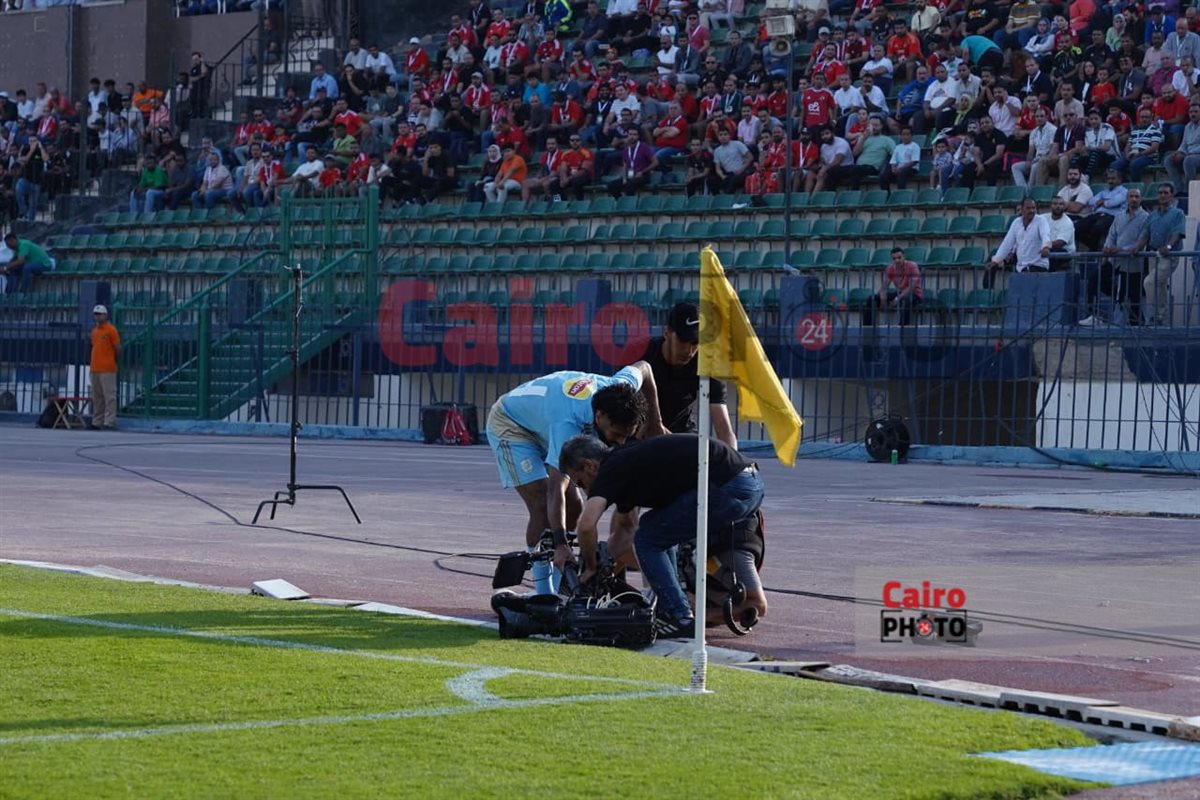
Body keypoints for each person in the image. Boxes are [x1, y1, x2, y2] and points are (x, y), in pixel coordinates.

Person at [558, 432, 765, 639]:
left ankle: (679, 616)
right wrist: (607, 567)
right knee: (653, 528)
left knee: (647, 539)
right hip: (749, 480)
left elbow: (586, 526)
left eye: (579, 483)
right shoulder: (625, 461)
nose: (583, 490)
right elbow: (625, 528)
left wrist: (590, 567)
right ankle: (677, 606)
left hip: (730, 485)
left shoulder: (609, 469)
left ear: (589, 466)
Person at [485, 363, 666, 592]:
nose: (620, 442)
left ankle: (561, 583)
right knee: (542, 505)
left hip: (545, 417)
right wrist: (560, 543)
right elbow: (555, 489)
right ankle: (543, 593)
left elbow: (646, 368)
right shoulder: (567, 424)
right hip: (513, 425)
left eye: (626, 436)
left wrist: (655, 423)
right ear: (599, 416)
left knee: (575, 508)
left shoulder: (621, 387)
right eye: (616, 434)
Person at [641, 302, 736, 448]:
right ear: (666, 332)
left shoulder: (707, 364)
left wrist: (733, 459)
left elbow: (724, 429)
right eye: (682, 341)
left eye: (695, 343)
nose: (688, 351)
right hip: (642, 433)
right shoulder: (643, 354)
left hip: (682, 435)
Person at [1080, 187, 1150, 327]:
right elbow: (1112, 235)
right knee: (1095, 279)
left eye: (1136, 197)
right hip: (1115, 259)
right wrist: (1107, 249)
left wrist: (1122, 249)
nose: (1134, 199)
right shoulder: (1119, 216)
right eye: (1131, 196)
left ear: (1141, 199)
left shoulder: (1146, 217)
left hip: (1133, 262)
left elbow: (1142, 240)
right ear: (1127, 199)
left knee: (1133, 294)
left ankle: (1136, 322)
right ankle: (1093, 314)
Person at [1142, 183, 1186, 325]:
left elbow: (1178, 232)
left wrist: (1168, 246)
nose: (1162, 195)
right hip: (1153, 255)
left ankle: (1155, 316)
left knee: (1149, 282)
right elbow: (1145, 234)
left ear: (1172, 195)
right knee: (1159, 287)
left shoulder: (1178, 213)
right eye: (1160, 193)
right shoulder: (1153, 215)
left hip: (1169, 255)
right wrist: (1135, 248)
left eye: (1166, 193)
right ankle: (1163, 320)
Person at [985, 197, 1053, 287]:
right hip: (1021, 268)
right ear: (1022, 209)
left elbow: (1045, 235)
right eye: (1028, 208)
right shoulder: (1016, 223)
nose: (1032, 211)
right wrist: (996, 261)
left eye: (1033, 208)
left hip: (1038, 266)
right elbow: (1007, 243)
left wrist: (1046, 247)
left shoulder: (1041, 220)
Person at [863, 247, 923, 326]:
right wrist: (882, 297)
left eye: (899, 258)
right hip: (900, 292)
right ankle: (867, 328)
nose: (897, 260)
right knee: (872, 299)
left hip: (914, 294)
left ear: (904, 257)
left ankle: (903, 327)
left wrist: (897, 299)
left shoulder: (912, 266)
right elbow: (885, 286)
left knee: (905, 301)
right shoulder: (890, 268)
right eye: (894, 258)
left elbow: (911, 287)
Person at [87, 304, 120, 430]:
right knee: (97, 397)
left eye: (100, 314)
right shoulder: (94, 331)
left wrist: (113, 360)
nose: (97, 316)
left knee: (109, 396)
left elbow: (117, 347)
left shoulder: (111, 330)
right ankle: (97, 421)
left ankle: (109, 422)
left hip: (107, 368)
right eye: (96, 314)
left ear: (105, 315)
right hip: (95, 368)